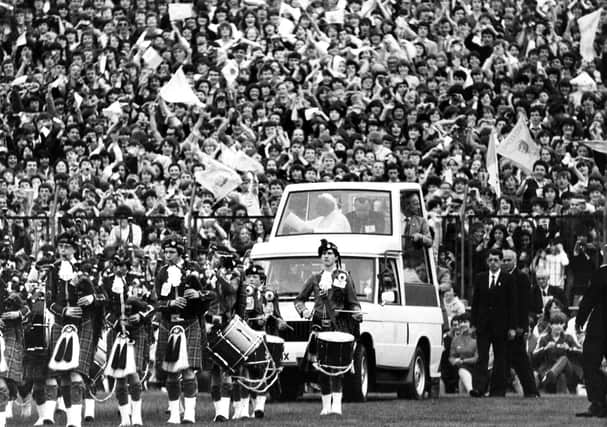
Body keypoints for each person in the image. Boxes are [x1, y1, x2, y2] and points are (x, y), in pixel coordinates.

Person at [294, 239, 362, 416]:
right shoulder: (314, 279)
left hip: (337, 326)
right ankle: (325, 406)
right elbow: (299, 300)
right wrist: (304, 312)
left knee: (337, 367)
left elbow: (354, 303)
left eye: (330, 253)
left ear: (336, 257)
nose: (326, 256)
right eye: (323, 254)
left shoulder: (343, 277)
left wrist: (357, 313)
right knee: (321, 367)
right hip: (318, 326)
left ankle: (337, 406)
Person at [45, 232, 101, 427]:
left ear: (74, 249)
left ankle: (75, 422)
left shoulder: (86, 268)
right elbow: (49, 302)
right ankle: (71, 418)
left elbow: (103, 296)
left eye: (66, 246)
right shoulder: (52, 271)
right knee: (64, 376)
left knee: (77, 373)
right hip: (61, 324)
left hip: (84, 324)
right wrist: (64, 310)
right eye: (60, 246)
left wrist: (93, 299)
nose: (62, 250)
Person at [154, 236, 205, 424]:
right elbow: (157, 302)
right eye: (165, 252)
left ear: (180, 253)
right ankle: (175, 414)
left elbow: (210, 294)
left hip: (190, 323)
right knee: (172, 371)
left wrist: (199, 294)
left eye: (172, 252)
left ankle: (190, 414)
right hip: (169, 324)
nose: (168, 256)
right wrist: (170, 302)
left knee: (189, 370)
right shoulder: (161, 273)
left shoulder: (193, 270)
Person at [102, 250, 155, 427]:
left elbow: (152, 306)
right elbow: (104, 308)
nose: (119, 269)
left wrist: (140, 316)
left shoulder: (138, 280)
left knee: (134, 374)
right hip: (117, 332)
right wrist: (116, 322)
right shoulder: (107, 282)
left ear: (128, 266)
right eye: (116, 265)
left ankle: (137, 417)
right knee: (119, 376)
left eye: (123, 265)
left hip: (137, 331)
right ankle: (125, 419)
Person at [205, 248, 247, 422]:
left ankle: (225, 410)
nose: (214, 260)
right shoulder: (207, 276)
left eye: (217, 258)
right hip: (209, 325)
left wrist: (218, 276)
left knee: (227, 368)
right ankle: (218, 411)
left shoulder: (236, 276)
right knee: (213, 369)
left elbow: (231, 290)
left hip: (227, 324)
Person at [241, 264, 286, 419]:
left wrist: (280, 322)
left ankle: (259, 406)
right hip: (246, 336)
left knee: (262, 371)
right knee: (246, 371)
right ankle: (246, 408)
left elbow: (277, 316)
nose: (251, 280)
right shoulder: (243, 293)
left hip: (264, 337)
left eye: (255, 277)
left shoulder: (270, 294)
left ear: (262, 280)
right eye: (249, 277)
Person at [470, 249, 517, 397]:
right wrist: (473, 324)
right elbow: (475, 302)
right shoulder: (481, 278)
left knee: (500, 358)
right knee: (482, 357)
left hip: (501, 326)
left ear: (501, 261)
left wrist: (512, 327)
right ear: (487, 262)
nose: (493, 263)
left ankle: (498, 390)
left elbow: (512, 304)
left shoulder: (508, 279)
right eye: (490, 260)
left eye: (496, 260)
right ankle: (479, 388)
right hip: (483, 325)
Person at [501, 249, 539, 397]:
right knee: (502, 361)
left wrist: (522, 328)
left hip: (517, 326)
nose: (505, 263)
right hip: (502, 326)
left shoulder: (522, 278)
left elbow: (524, 305)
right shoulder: (500, 277)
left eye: (508, 260)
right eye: (503, 260)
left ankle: (531, 391)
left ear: (515, 261)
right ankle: (498, 391)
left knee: (521, 361)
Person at [575, 264, 607, 418]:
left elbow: (589, 298)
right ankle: (598, 402)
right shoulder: (602, 272)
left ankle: (599, 402)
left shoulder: (602, 272)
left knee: (590, 362)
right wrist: (580, 318)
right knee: (589, 362)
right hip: (599, 327)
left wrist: (580, 319)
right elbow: (590, 297)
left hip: (599, 326)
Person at [532, 312, 582, 394]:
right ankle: (560, 396)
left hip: (568, 370)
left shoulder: (568, 338)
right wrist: (545, 348)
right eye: (556, 324)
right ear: (550, 325)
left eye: (561, 324)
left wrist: (569, 349)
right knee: (561, 376)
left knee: (564, 359)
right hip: (548, 367)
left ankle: (550, 375)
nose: (559, 326)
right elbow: (534, 354)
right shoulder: (544, 338)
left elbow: (581, 351)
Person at [283, 193, 351, 233]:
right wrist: (287, 214)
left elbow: (333, 232)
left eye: (319, 205)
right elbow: (305, 226)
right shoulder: (322, 219)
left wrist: (313, 231)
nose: (316, 207)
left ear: (328, 206)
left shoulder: (339, 217)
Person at [449, 313, 478, 395]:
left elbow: (476, 358)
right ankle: (471, 391)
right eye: (460, 322)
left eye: (465, 322)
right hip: (461, 369)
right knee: (462, 371)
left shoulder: (476, 339)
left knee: (462, 372)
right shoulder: (455, 340)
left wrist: (463, 361)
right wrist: (454, 361)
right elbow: (451, 356)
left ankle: (470, 391)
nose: (462, 324)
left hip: (476, 369)